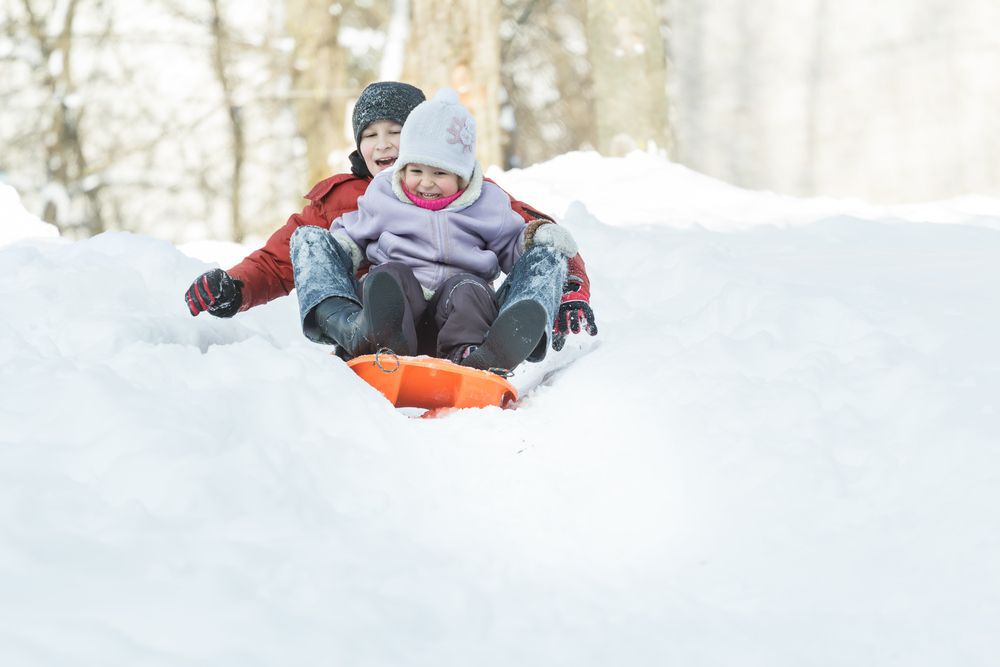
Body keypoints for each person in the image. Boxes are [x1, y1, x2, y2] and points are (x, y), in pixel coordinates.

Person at [184, 81, 597, 355]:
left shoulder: (466, 193)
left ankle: (503, 341)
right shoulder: (340, 199)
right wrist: (236, 287)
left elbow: (536, 234)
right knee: (309, 239)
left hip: (463, 312)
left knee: (539, 249)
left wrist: (568, 289)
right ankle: (353, 328)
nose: (382, 145)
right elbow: (279, 260)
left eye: (395, 131)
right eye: (369, 135)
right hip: (379, 322)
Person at [294, 88, 578, 371]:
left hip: (464, 318)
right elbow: (350, 239)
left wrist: (537, 241)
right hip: (396, 318)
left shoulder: (487, 203)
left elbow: (513, 248)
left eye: (439, 173)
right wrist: (331, 256)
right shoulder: (383, 193)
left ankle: (487, 352)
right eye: (416, 171)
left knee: (473, 286)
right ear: (403, 168)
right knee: (380, 273)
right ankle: (359, 332)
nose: (426, 183)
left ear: (462, 176)